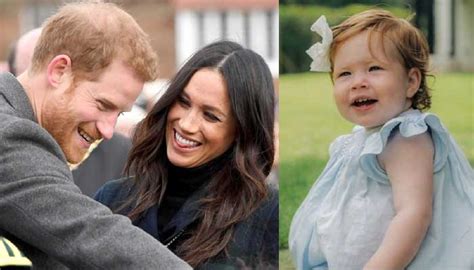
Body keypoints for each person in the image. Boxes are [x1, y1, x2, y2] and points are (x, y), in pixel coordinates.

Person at [0, 2, 191, 269]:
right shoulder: (9, 135)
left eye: (119, 113)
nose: (108, 129)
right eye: (103, 105)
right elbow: (90, 232)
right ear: (59, 71)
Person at [289, 9, 473, 270]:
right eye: (344, 74)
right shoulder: (366, 137)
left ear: (411, 82)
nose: (358, 83)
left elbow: (414, 213)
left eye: (374, 68)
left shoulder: (406, 137)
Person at [94, 40, 279, 269]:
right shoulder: (113, 198)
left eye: (210, 116)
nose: (186, 124)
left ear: (242, 132)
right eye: (183, 102)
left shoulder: (267, 214)